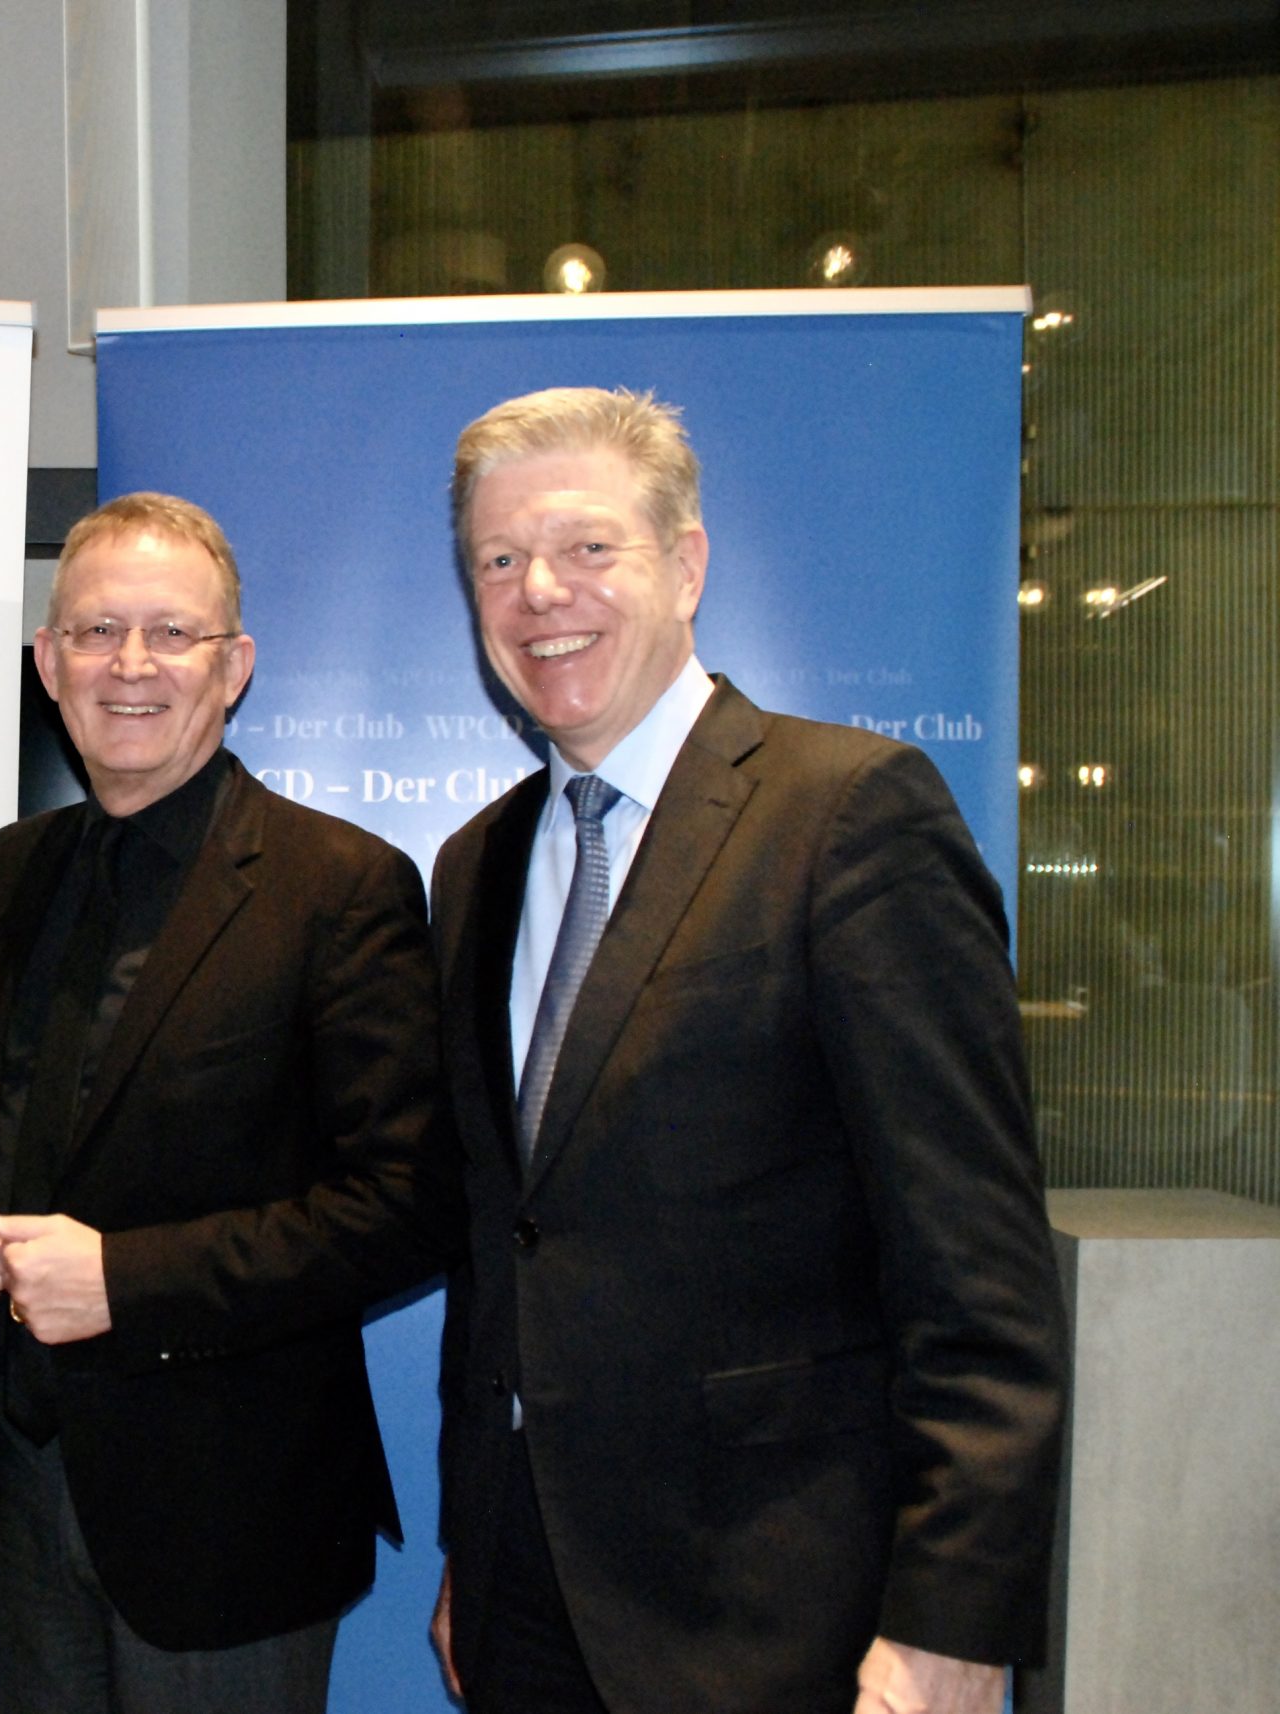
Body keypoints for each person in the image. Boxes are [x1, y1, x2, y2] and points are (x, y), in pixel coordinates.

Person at [426, 387, 1066, 1714]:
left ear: (687, 564)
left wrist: (949, 1622)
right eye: (499, 558)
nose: (539, 591)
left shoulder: (849, 816)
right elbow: (507, 1244)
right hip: (523, 1595)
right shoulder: (474, 864)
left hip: (773, 1611)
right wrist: (475, 1550)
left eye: (588, 546)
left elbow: (976, 1273)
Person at [0, 493, 446, 1714]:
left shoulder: (339, 886)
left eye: (171, 633)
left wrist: (125, 1280)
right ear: (48, 661)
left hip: (231, 1520)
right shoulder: (8, 869)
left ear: (233, 665)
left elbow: (406, 1203)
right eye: (96, 631)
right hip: (20, 1486)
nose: (131, 665)